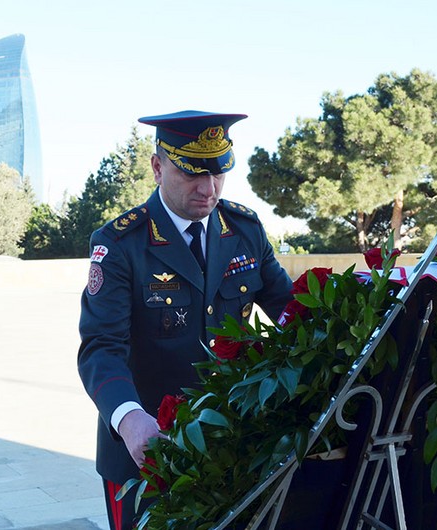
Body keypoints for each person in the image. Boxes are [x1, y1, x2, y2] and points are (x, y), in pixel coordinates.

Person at [77, 110, 294, 530]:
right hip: (147, 455)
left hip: (230, 445)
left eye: (218, 173)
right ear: (158, 167)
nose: (207, 188)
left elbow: (290, 309)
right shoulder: (121, 243)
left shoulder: (245, 231)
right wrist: (129, 417)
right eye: (192, 173)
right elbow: (101, 348)